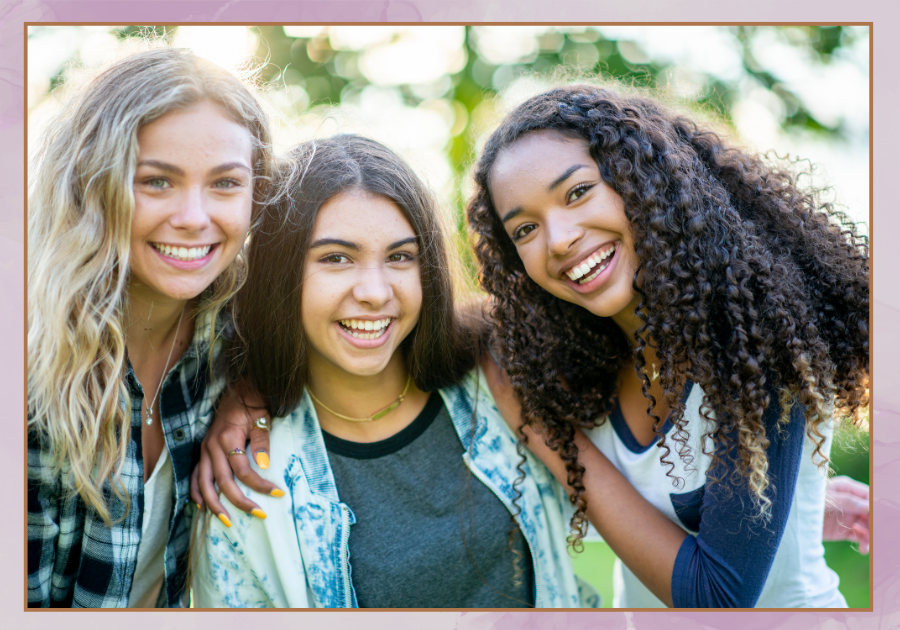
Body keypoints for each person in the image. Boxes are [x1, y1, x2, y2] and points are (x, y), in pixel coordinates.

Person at [465, 85, 869, 607]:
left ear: (643, 181)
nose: (559, 238)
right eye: (524, 228)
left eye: (578, 192)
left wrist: (542, 431)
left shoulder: (750, 342)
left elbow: (716, 596)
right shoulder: (582, 353)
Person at [189, 134, 597, 608]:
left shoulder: (506, 380)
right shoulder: (248, 473)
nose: (375, 292)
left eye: (400, 257)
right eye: (336, 258)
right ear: (281, 274)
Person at [27, 47, 273, 607]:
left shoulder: (233, 336)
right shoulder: (27, 364)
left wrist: (248, 392)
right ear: (92, 186)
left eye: (226, 183)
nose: (193, 216)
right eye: (157, 181)